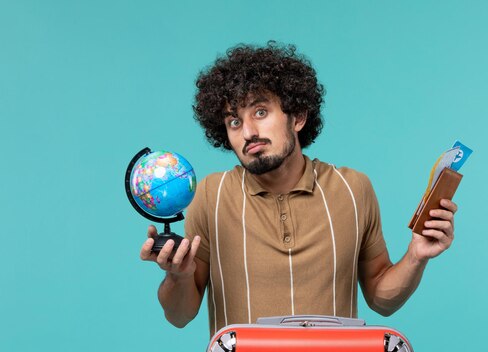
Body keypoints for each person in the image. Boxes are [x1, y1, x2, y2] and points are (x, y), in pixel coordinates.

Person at [140, 42, 457, 335]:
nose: (248, 132)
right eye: (234, 121)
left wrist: (416, 256)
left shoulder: (353, 188)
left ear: (299, 116)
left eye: (260, 112)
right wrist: (178, 275)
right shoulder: (210, 195)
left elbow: (382, 299)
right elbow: (179, 316)